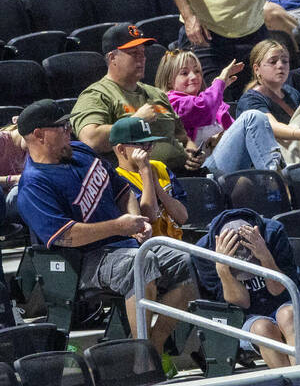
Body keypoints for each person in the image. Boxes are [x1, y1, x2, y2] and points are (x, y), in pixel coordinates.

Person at [16, 100, 197, 366]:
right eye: (62, 126)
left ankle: (153, 346)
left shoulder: (79, 151)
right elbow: (66, 235)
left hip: (124, 243)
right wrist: (119, 226)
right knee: (141, 263)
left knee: (189, 260)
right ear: (39, 135)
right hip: (85, 260)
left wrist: (136, 220)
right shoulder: (34, 185)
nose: (69, 130)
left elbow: (121, 189)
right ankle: (143, 360)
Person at [193, 209, 300, 368]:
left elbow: (278, 289)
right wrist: (223, 269)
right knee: (262, 328)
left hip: (293, 306)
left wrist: (265, 256)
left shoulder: (273, 232)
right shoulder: (203, 252)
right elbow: (242, 303)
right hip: (249, 318)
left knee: (288, 315)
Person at [73, 23, 201, 175]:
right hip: (138, 184)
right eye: (134, 53)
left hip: (183, 174)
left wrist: (192, 152)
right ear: (112, 57)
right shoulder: (97, 95)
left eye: (143, 52)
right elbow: (91, 140)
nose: (142, 58)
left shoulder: (156, 94)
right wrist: (136, 121)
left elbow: (182, 138)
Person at [159, 49, 286, 176]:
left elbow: (238, 136)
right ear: (170, 80)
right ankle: (276, 179)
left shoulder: (214, 103)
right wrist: (221, 80)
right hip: (203, 171)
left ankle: (276, 174)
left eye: (197, 71)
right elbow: (204, 107)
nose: (193, 76)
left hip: (225, 164)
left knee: (256, 120)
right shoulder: (171, 102)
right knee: (252, 117)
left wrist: (220, 137)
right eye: (184, 73)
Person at [110, 117, 190, 241]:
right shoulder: (117, 179)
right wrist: (146, 172)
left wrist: (157, 187)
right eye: (142, 144)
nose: (149, 149)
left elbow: (183, 217)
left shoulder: (159, 167)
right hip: (151, 246)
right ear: (121, 149)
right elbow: (149, 217)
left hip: (176, 240)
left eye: (150, 143)